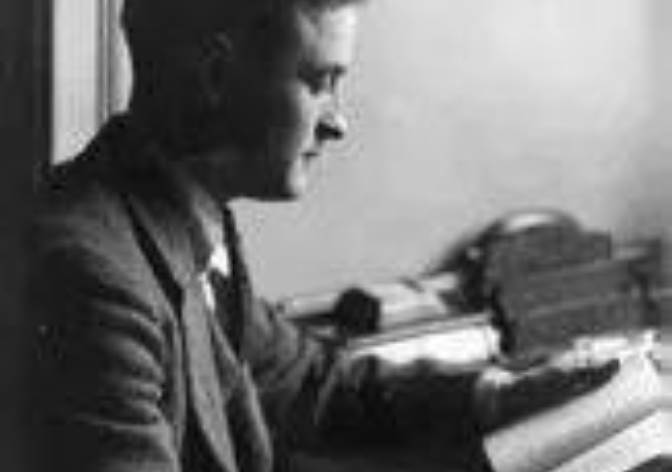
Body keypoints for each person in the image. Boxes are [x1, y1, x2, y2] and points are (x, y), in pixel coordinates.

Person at [23, 0, 618, 471]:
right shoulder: (90, 278)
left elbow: (309, 384)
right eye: (321, 81)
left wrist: (499, 395)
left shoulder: (185, 219)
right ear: (216, 76)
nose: (338, 121)